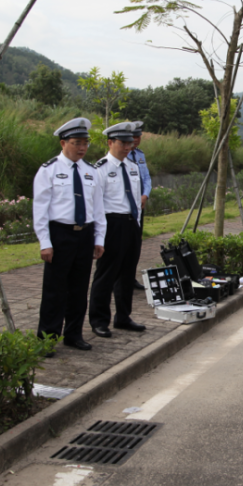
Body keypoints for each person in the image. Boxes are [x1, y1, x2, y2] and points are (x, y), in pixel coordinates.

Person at [33, 118, 106, 354]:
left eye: (85, 143)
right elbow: (40, 210)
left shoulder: (91, 171)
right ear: (63, 143)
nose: (82, 148)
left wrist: (98, 239)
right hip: (60, 234)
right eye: (76, 143)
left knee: (78, 288)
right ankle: (47, 338)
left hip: (84, 235)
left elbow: (98, 209)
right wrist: (45, 242)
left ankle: (73, 334)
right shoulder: (49, 170)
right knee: (55, 290)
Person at [89, 121, 146, 337]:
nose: (127, 147)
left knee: (127, 272)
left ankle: (123, 316)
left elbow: (136, 198)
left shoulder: (132, 167)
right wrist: (98, 236)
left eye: (130, 143)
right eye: (122, 143)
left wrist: (137, 223)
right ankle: (99, 320)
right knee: (106, 273)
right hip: (111, 223)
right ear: (110, 142)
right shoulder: (100, 169)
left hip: (131, 223)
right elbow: (96, 205)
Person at [122, 121, 152, 291]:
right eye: (134, 136)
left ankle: (130, 277)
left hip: (139, 206)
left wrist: (145, 194)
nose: (137, 139)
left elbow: (146, 178)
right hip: (124, 208)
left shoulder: (140, 155)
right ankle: (117, 278)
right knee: (121, 244)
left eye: (139, 136)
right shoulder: (121, 156)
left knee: (135, 243)